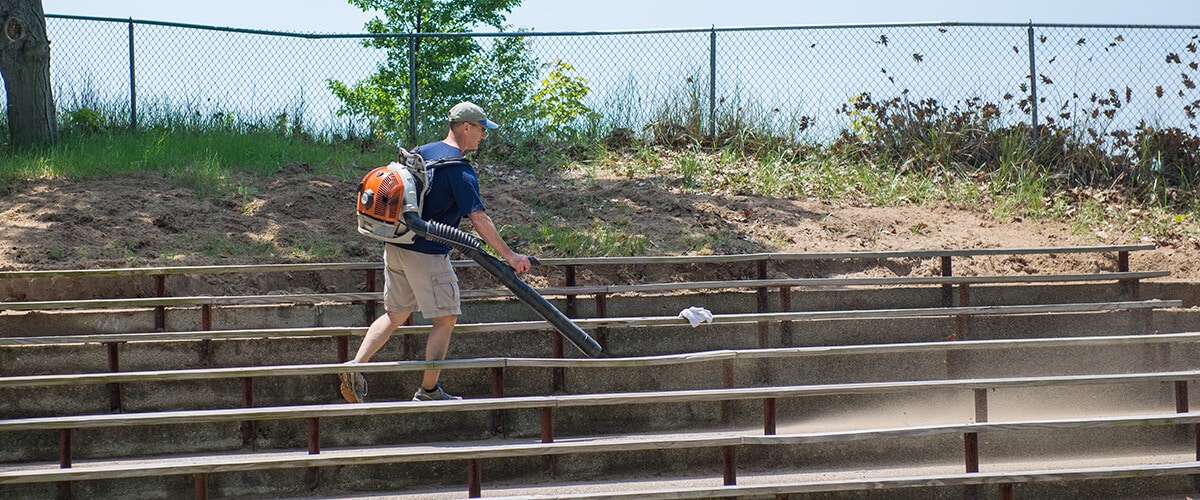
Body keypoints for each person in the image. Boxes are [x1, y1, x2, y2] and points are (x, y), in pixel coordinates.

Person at [340, 101, 532, 402]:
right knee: (446, 317)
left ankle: (356, 365)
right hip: (427, 253)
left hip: (398, 244)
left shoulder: (422, 152)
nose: (484, 135)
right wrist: (510, 255)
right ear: (465, 127)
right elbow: (479, 218)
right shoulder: (459, 170)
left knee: (396, 313)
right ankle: (429, 390)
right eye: (482, 129)